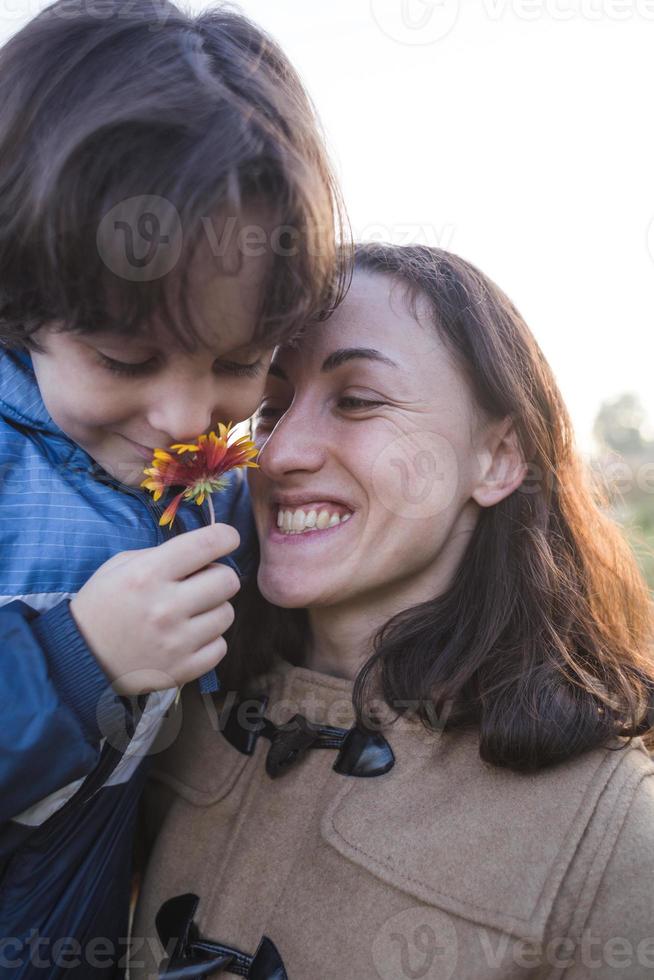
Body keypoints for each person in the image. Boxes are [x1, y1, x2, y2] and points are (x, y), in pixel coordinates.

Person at [131, 244, 654, 980]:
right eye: (273, 409)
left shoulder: (613, 833)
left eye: (356, 400)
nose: (277, 457)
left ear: (499, 458)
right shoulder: (167, 706)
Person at [0, 0, 345, 976]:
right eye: (123, 358)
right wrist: (79, 656)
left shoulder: (193, 475)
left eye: (240, 365)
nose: (186, 415)